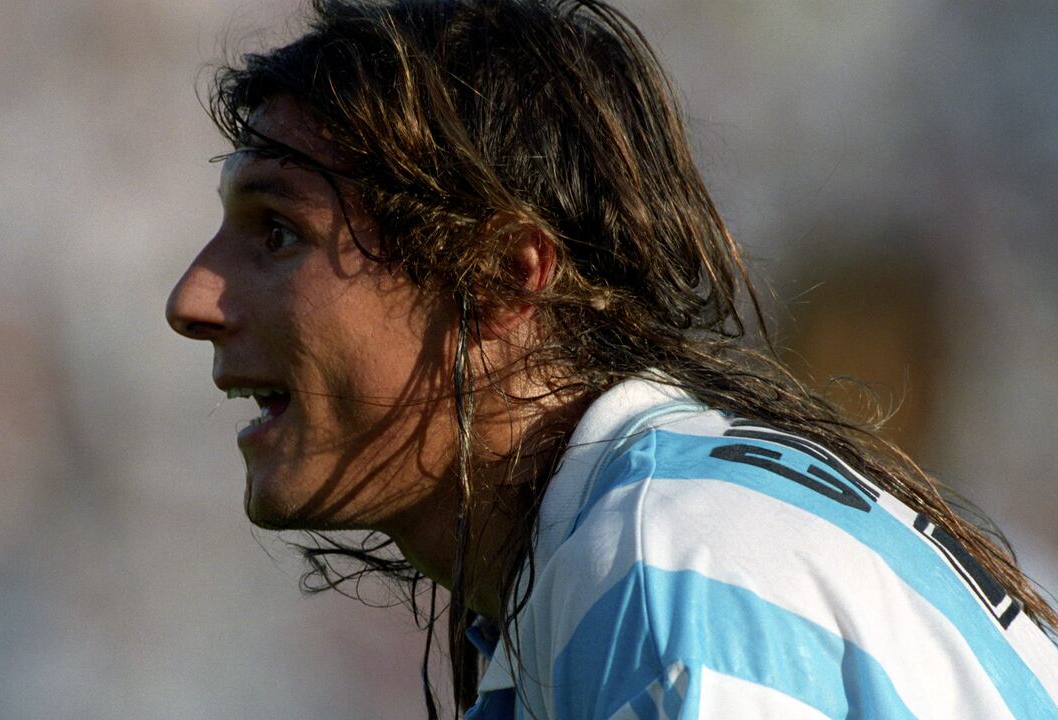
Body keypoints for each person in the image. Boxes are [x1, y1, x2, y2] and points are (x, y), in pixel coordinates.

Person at [165, 0, 1058, 717]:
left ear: (498, 281)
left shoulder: (658, 562)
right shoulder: (618, 553)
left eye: (278, 232)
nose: (191, 300)